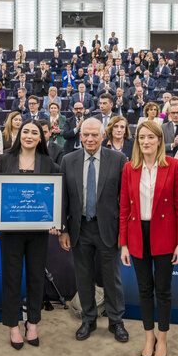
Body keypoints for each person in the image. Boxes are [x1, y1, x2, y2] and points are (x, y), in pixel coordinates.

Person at [0, 120, 60, 350]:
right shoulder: (5, 160)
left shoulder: (48, 162)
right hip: (11, 230)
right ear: (19, 135)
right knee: (11, 277)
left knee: (36, 277)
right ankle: (13, 326)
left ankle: (33, 323)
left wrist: (55, 219)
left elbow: (56, 195)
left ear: (40, 138)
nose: (29, 135)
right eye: (25, 131)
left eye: (34, 133)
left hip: (38, 232)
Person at [119, 120, 178, 356]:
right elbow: (124, 208)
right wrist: (123, 244)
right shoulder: (129, 168)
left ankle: (163, 338)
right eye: (141, 138)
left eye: (150, 137)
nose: (145, 141)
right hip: (137, 234)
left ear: (159, 140)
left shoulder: (174, 165)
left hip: (165, 235)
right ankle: (149, 338)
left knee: (163, 290)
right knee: (144, 289)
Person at [59, 118, 128, 342]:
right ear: (80, 136)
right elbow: (63, 198)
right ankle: (88, 319)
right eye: (86, 135)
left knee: (112, 278)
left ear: (103, 136)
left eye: (94, 135)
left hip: (108, 228)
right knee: (84, 276)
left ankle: (116, 321)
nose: (90, 139)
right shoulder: (68, 160)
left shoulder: (118, 160)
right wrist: (64, 229)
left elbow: (125, 199)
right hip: (79, 228)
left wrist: (123, 232)